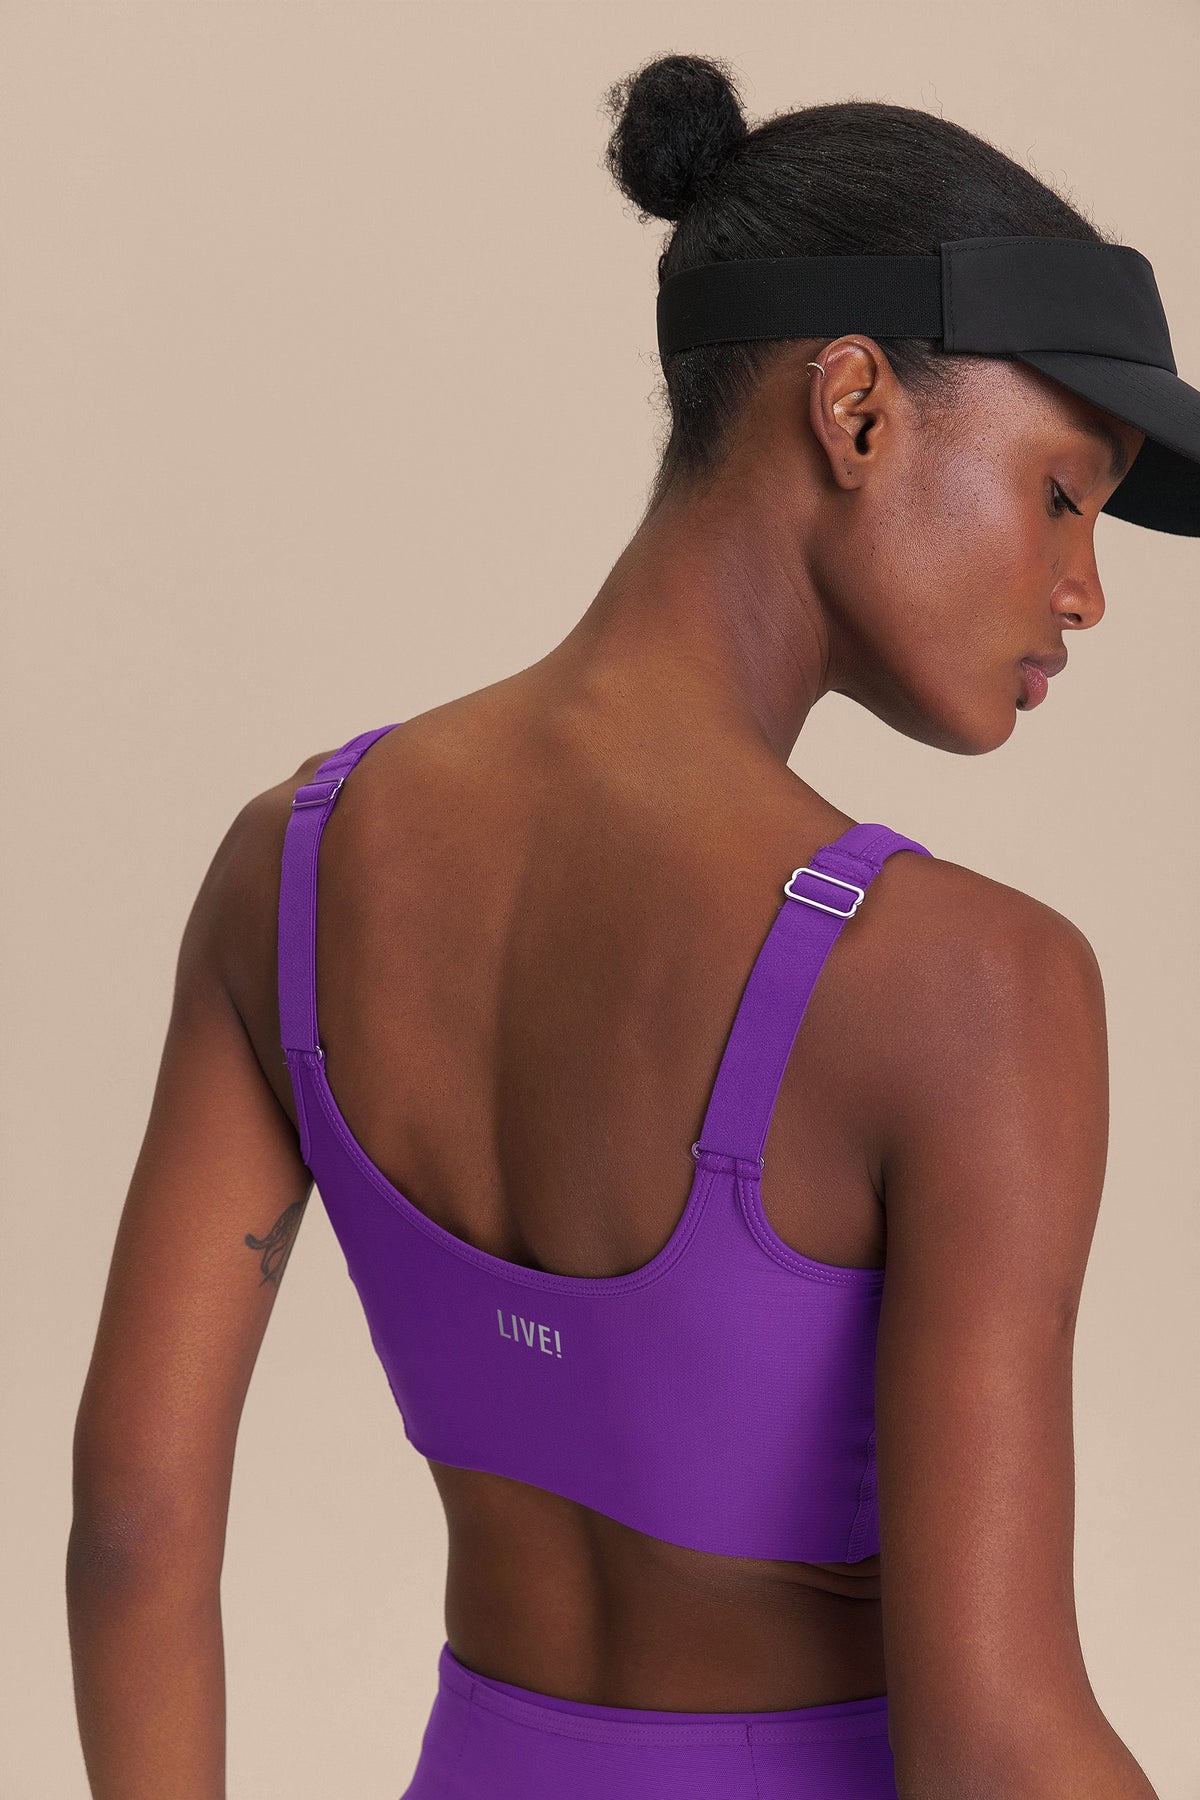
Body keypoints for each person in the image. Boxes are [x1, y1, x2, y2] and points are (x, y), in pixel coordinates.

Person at [66, 52, 1190, 1800]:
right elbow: (993, 1742)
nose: (1089, 592)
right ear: (856, 409)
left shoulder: (290, 872)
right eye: (1065, 490)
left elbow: (133, 1532)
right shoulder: (971, 986)